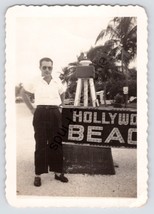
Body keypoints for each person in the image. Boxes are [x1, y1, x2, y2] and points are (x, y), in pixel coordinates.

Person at [21, 57, 68, 187]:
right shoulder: (34, 81)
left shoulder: (57, 81)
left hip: (55, 113)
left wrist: (61, 106)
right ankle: (38, 174)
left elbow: (63, 92)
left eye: (50, 67)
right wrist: (31, 108)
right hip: (40, 113)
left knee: (56, 143)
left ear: (52, 68)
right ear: (40, 67)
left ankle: (58, 172)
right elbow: (23, 93)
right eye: (44, 67)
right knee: (40, 143)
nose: (47, 70)